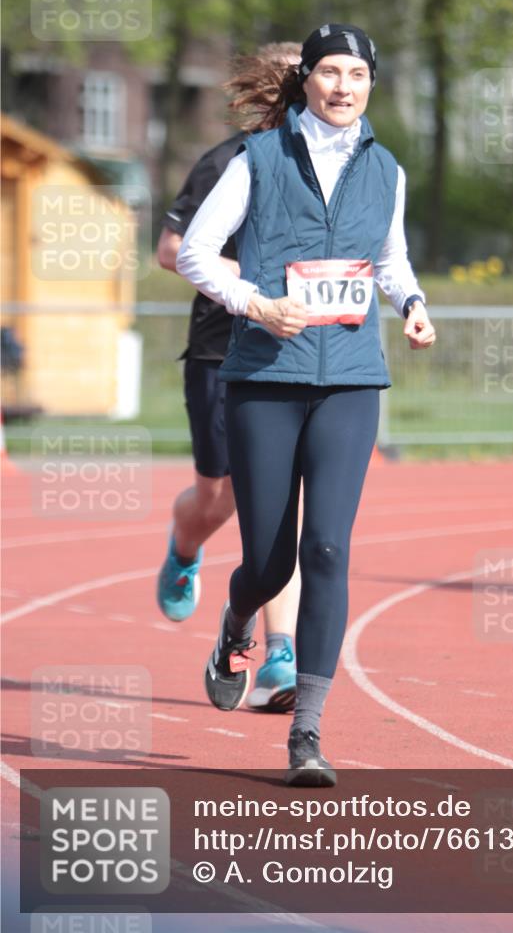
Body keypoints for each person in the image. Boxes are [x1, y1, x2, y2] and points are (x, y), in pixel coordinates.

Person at [176, 23, 436, 786]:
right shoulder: (257, 159)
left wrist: (413, 302)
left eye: (357, 73)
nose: (343, 86)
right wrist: (255, 304)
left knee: (326, 549)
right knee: (268, 560)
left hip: (351, 378)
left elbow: (389, 258)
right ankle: (234, 627)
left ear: (370, 83)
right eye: (329, 71)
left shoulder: (384, 167)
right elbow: (195, 251)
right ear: (308, 81)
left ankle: (307, 734)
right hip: (264, 379)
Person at [156, 42, 302, 713]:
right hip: (220, 353)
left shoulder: (326, 167)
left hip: (291, 354)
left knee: (274, 509)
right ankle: (185, 546)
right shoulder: (224, 162)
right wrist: (246, 285)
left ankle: (279, 654)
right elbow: (170, 250)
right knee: (216, 501)